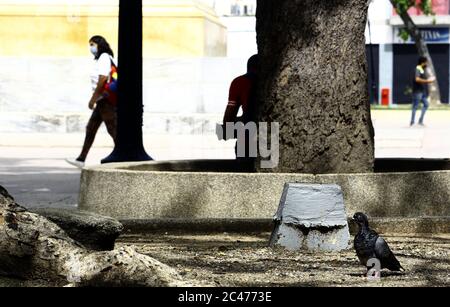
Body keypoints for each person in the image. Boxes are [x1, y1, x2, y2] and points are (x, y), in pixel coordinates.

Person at [66, 35, 118, 168]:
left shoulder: (104, 57)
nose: (91, 48)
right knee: (91, 128)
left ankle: (123, 154)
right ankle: (81, 159)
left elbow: (102, 79)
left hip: (104, 99)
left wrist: (93, 98)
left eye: (92, 44)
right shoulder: (105, 58)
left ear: (99, 45)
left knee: (112, 128)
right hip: (103, 100)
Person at [222, 54, 258, 160]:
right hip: (271, 135)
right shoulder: (272, 82)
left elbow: (230, 112)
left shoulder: (239, 82)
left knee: (244, 171)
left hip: (246, 136)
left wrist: (226, 129)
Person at [410, 56, 435, 127]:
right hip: (417, 91)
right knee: (415, 106)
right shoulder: (418, 69)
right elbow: (417, 79)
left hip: (422, 91)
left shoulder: (422, 69)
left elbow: (422, 78)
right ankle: (412, 122)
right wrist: (428, 81)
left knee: (426, 104)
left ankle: (420, 121)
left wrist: (430, 79)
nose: (427, 63)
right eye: (426, 62)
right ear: (423, 62)